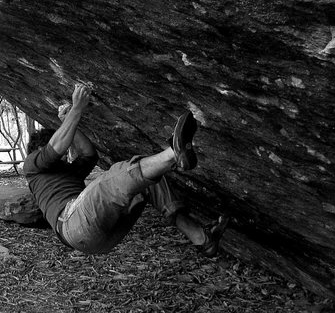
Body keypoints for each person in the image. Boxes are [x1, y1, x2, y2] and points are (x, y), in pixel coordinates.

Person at [24, 83, 229, 256]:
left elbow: (89, 155)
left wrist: (67, 120)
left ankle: (202, 239)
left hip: (99, 239)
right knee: (117, 173)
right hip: (71, 222)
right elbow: (55, 147)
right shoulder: (32, 166)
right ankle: (174, 154)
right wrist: (77, 108)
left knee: (147, 181)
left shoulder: (67, 172)